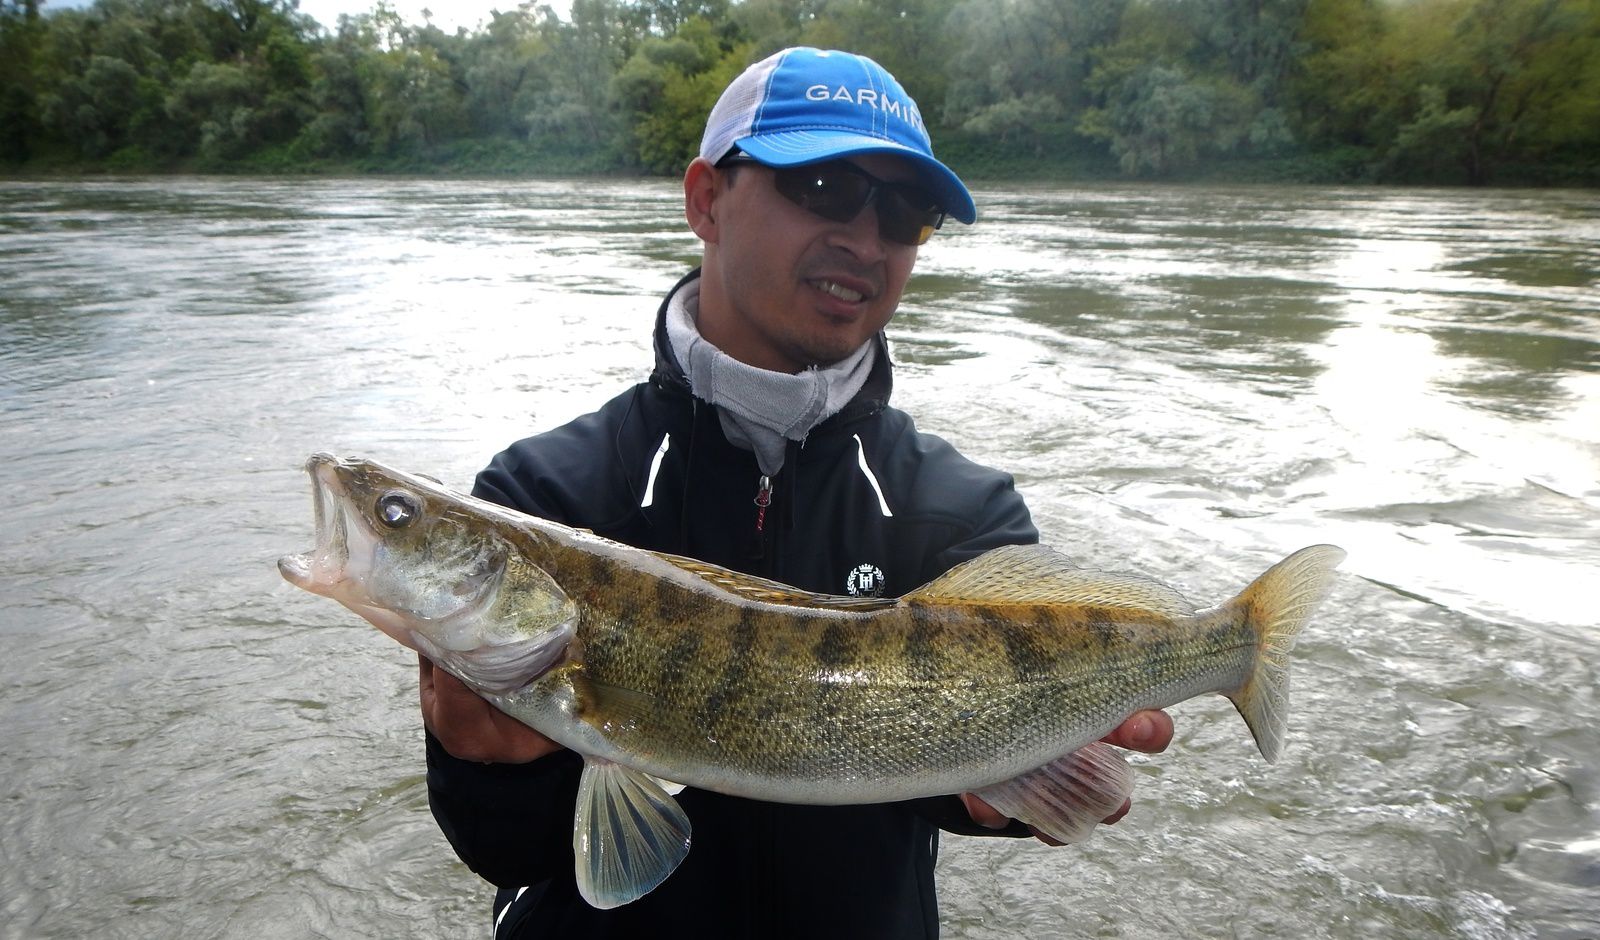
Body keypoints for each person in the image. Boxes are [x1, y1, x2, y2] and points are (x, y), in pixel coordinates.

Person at [419, 46, 1174, 939]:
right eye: (822, 186)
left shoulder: (964, 511)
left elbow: (967, 799)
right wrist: (486, 761)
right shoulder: (539, 496)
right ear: (705, 199)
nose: (865, 237)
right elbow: (503, 851)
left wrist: (1009, 796)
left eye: (906, 211)